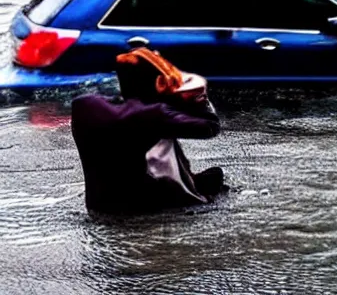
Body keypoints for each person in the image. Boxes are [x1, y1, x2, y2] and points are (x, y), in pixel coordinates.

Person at [71, 47, 226, 216]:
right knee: (218, 183)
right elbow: (210, 127)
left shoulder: (84, 106)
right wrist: (199, 96)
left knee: (209, 177)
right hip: (145, 211)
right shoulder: (155, 115)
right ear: (159, 83)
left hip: (99, 208)